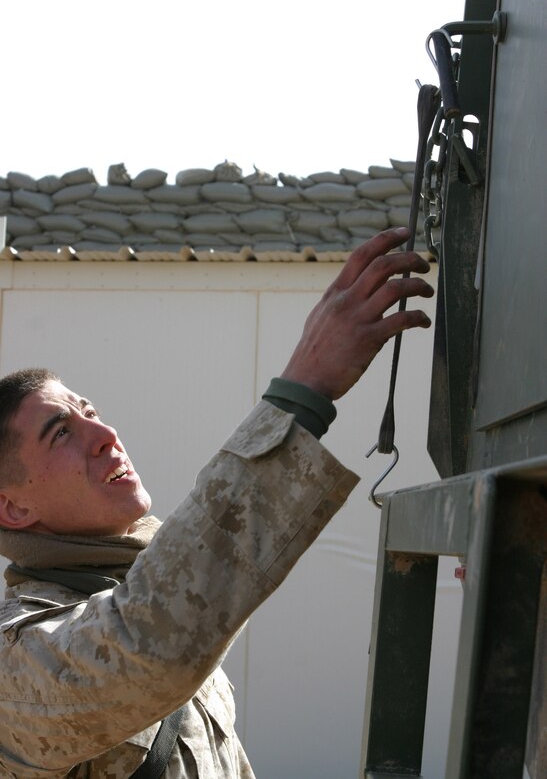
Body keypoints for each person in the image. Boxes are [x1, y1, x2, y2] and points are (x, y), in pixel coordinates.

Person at [0, 228, 433, 778]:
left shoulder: (137, 593)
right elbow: (151, 641)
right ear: (13, 509)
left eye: (90, 410)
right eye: (60, 432)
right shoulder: (19, 655)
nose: (105, 432)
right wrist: (301, 394)